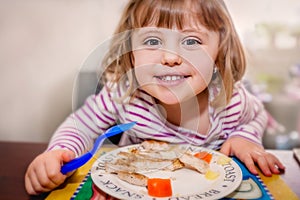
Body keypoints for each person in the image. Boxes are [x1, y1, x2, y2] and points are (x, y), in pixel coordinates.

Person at [25, 0, 285, 196]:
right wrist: (60, 152)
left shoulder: (229, 102)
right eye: (152, 40)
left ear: (218, 53)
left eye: (191, 42)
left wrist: (244, 137)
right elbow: (81, 125)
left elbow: (258, 115)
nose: (170, 58)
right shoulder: (123, 94)